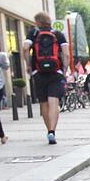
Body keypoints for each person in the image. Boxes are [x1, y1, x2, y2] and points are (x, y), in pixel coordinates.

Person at [23, 12, 68, 145]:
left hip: (39, 71)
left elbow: (25, 49)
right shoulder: (58, 34)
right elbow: (65, 54)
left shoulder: (33, 33)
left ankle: (49, 130)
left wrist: (28, 65)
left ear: (37, 22)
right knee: (54, 101)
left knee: (44, 102)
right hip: (56, 71)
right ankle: (52, 131)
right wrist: (64, 69)